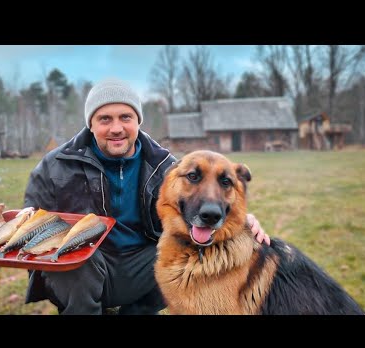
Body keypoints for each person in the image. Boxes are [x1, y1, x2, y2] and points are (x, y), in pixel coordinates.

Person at [23, 78, 270, 315]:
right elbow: (32, 220)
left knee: (177, 253)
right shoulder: (55, 165)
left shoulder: (166, 167)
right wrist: (22, 223)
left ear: (138, 121)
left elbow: (198, 208)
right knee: (78, 260)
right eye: (105, 119)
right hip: (82, 271)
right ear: (91, 123)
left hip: (139, 266)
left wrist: (239, 221)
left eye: (125, 117)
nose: (116, 128)